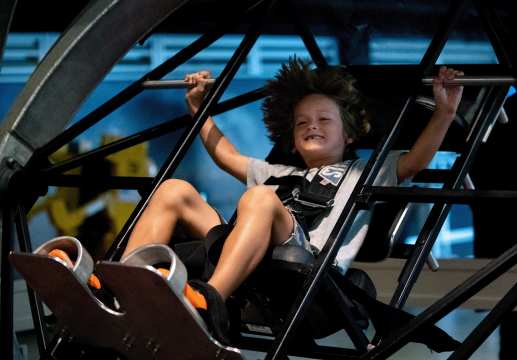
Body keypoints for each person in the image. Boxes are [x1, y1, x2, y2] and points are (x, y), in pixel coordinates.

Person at [51, 58, 464, 345]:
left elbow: (417, 159)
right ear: (292, 137)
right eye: (302, 123)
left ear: (350, 134)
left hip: (309, 266)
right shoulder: (278, 173)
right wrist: (199, 109)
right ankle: (121, 286)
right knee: (171, 190)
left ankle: (208, 301)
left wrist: (443, 113)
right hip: (248, 247)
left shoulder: (367, 169)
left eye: (324, 120)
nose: (312, 127)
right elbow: (225, 154)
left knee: (261, 199)